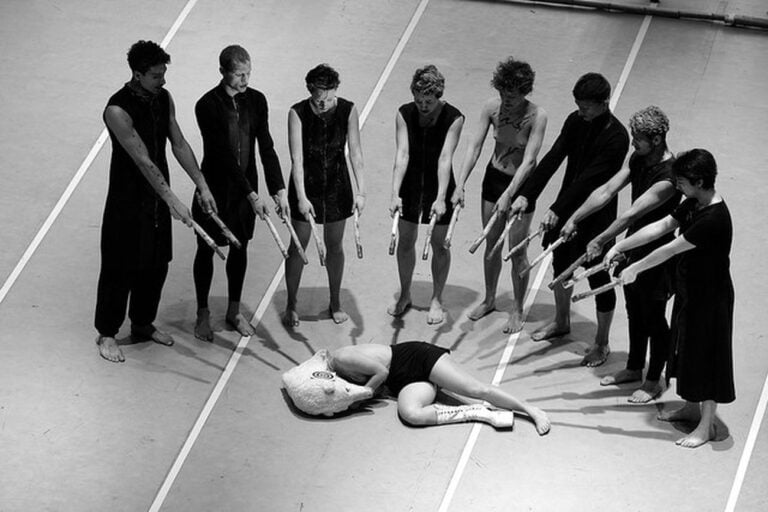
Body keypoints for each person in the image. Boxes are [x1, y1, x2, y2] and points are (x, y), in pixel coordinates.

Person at [96, 40, 217, 363]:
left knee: (156, 264)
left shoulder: (163, 98)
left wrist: (202, 184)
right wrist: (173, 200)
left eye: (163, 73)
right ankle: (107, 333)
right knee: (119, 267)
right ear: (137, 74)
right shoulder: (117, 110)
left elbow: (177, 143)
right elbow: (144, 160)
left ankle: (142, 323)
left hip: (155, 202)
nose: (162, 80)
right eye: (155, 75)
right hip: (127, 201)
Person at [608, 149, 734, 448]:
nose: (678, 186)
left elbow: (670, 249)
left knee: (707, 358)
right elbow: (662, 226)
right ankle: (690, 408)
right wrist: (621, 246)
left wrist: (635, 268)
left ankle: (706, 426)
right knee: (686, 349)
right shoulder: (693, 202)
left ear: (700, 181)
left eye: (682, 181)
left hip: (711, 298)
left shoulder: (714, 218)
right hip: (689, 290)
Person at [560, 106, 681, 401]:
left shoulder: (668, 178)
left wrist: (601, 240)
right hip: (632, 248)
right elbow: (607, 190)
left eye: (637, 138)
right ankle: (634, 367)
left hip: (658, 253)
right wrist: (575, 217)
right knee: (634, 311)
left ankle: (654, 381)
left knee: (653, 317)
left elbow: (631, 214)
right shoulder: (638, 158)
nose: (632, 143)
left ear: (657, 138)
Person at [509, 72, 629, 367]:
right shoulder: (575, 121)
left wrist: (560, 209)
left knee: (598, 274)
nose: (580, 111)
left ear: (604, 103)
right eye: (578, 104)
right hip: (566, 205)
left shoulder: (617, 137)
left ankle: (601, 342)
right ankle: (562, 321)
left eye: (586, 106)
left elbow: (590, 181)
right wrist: (528, 194)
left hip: (596, 214)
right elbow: (553, 157)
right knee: (560, 264)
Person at [192, 45, 289, 341]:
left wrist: (277, 189)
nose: (245, 80)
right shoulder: (207, 105)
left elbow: (266, 147)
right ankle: (202, 313)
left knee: (240, 248)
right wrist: (251, 194)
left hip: (245, 193)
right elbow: (222, 155)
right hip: (215, 190)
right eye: (239, 74)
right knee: (206, 250)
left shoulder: (256, 100)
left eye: (248, 73)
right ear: (223, 71)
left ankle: (234, 310)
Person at [452, 57, 547, 333]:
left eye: (513, 96)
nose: (507, 100)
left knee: (516, 250)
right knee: (491, 244)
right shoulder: (491, 107)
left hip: (521, 188)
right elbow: (475, 146)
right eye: (503, 94)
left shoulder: (537, 116)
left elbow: (530, 160)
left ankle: (517, 308)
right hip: (493, 180)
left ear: (525, 92)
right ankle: (490, 299)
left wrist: (510, 193)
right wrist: (460, 184)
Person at [283, 64, 366, 327]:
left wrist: (361, 191)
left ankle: (335, 301)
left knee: (335, 246)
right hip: (307, 183)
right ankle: (291, 303)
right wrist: (301, 197)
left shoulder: (348, 110)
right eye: (319, 99)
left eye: (329, 99)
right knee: (298, 247)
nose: (324, 104)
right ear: (310, 91)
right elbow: (296, 159)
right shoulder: (297, 113)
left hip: (337, 185)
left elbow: (355, 153)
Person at [328, 341, 550, 434]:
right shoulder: (336, 374)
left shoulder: (342, 358)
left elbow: (381, 372)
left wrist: (362, 394)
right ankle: (476, 412)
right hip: (402, 382)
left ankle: (530, 410)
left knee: (476, 390)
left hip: (416, 358)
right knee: (411, 414)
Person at [388, 65, 464, 325]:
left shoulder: (454, 118)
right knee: (406, 241)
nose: (422, 105)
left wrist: (442, 197)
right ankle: (405, 293)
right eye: (418, 100)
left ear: (439, 96)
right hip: (410, 182)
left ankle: (436, 299)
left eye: (428, 101)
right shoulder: (404, 113)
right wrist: (394, 192)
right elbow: (402, 154)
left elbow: (445, 158)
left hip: (438, 181)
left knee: (439, 244)